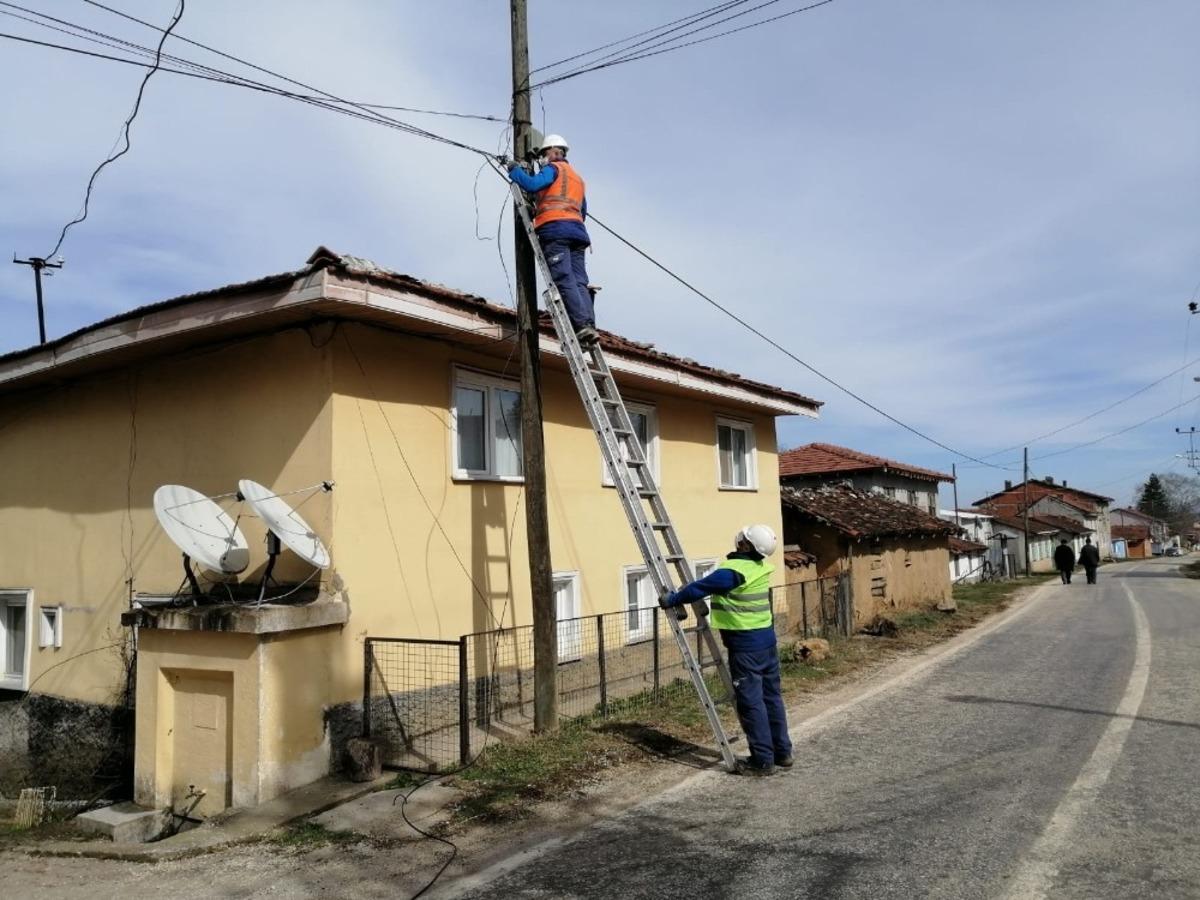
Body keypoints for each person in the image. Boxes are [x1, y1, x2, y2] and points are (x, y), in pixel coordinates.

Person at [660, 524, 791, 776]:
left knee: (752, 703)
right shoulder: (760, 567)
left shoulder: (734, 571)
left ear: (746, 545)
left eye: (744, 538)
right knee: (771, 698)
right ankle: (782, 752)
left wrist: (673, 600)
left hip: (745, 647)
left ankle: (763, 761)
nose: (739, 539)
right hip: (767, 643)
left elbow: (699, 587)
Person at [505, 135, 598, 347]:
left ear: (554, 152)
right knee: (579, 282)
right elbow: (583, 211)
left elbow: (532, 183)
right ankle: (589, 325)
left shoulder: (554, 169)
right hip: (578, 233)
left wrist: (514, 169)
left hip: (556, 231)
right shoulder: (577, 177)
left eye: (544, 153)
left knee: (564, 279)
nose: (543, 158)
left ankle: (582, 325)